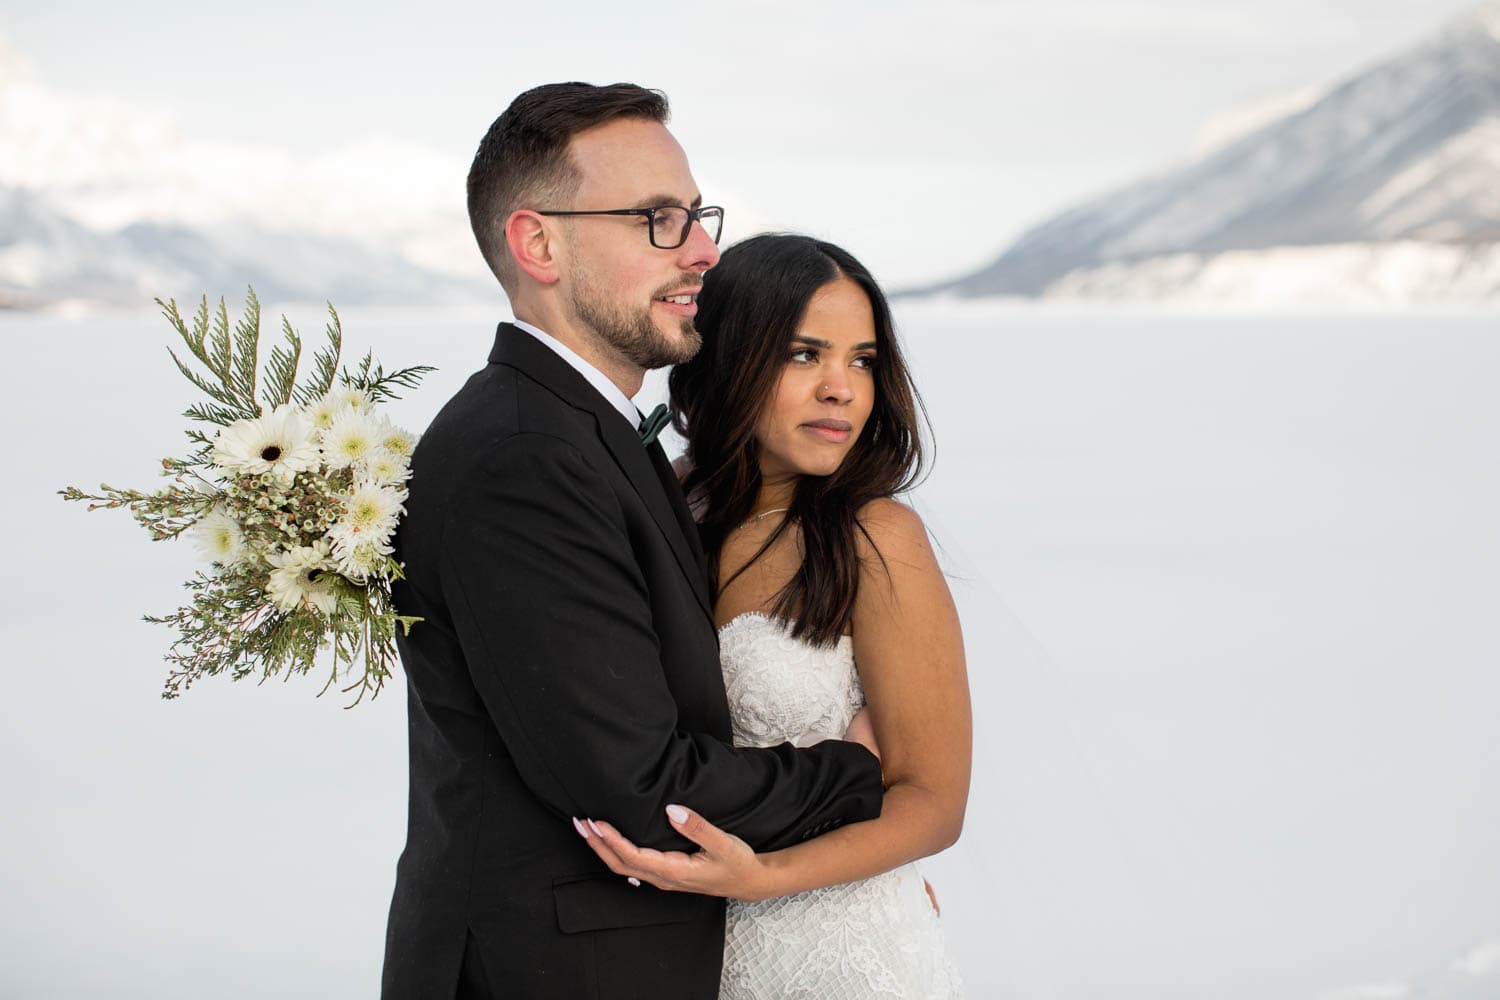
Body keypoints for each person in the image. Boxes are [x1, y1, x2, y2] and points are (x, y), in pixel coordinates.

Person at [381, 87, 886, 999]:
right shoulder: (525, 457)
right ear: (538, 245)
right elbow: (646, 788)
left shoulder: (584, 433)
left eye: (697, 217)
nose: (703, 251)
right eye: (658, 219)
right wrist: (855, 777)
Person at [576, 234, 972, 998]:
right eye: (804, 354)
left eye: (862, 360)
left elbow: (934, 803)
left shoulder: (875, 536)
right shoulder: (663, 504)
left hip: (842, 948)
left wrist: (765, 878)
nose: (842, 389)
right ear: (726, 355)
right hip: (672, 949)